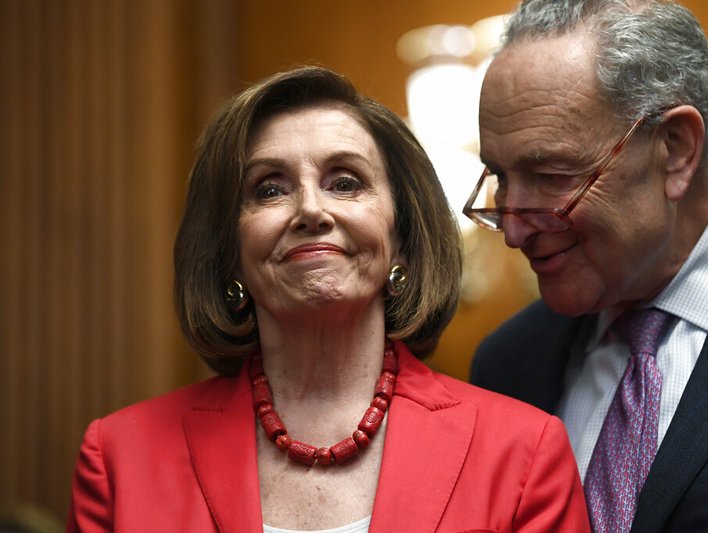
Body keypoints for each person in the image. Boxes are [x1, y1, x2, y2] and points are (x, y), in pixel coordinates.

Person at [67, 66, 589, 532]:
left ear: (401, 238)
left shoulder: (524, 453)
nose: (311, 210)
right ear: (228, 250)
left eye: (345, 182)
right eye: (269, 189)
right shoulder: (117, 459)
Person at [467, 0, 708, 531]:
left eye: (552, 176)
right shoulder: (506, 365)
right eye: (501, 179)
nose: (513, 230)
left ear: (674, 149)